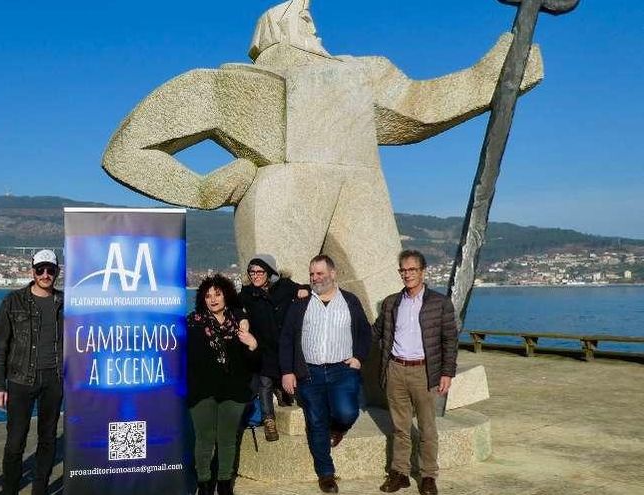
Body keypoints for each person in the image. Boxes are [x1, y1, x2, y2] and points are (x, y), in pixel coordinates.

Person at [102, 0, 543, 319]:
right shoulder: (229, 84)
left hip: (361, 191)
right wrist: (202, 188)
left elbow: (422, 106)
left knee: (389, 312)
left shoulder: (359, 73)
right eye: (306, 18)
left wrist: (495, 76)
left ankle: (399, 383)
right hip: (282, 192)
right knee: (276, 310)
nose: (316, 29)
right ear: (276, 28)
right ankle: (271, 401)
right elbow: (126, 151)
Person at [280, 254, 371, 493]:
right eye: (311, 274)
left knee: (347, 412)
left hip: (343, 370)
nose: (315, 278)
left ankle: (339, 428)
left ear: (333, 273)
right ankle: (326, 473)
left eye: (319, 273)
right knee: (316, 422)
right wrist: (287, 371)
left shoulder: (350, 301)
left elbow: (364, 332)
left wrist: (359, 358)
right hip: (309, 373)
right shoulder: (301, 303)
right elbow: (287, 338)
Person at [373, 250, 458, 495]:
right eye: (403, 270)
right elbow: (376, 332)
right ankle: (400, 473)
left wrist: (447, 373)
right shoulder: (391, 302)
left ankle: (428, 475)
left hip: (425, 371)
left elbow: (449, 341)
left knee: (427, 428)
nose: (407, 274)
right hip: (396, 370)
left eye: (412, 270)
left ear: (422, 271)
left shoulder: (440, 303)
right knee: (400, 427)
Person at [0, 249, 64, 495]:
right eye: (40, 269)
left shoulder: (66, 302)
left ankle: (40, 489)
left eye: (50, 270)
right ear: (32, 271)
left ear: (57, 273)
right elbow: (0, 345)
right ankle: (10, 490)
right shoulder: (13, 301)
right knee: (15, 442)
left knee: (48, 438)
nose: (45, 274)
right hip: (20, 380)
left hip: (54, 379)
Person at [187, 274, 259, 495]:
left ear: (226, 295)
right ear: (203, 299)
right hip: (202, 392)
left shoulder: (239, 323)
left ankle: (225, 483)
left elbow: (253, 363)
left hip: (233, 391)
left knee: (228, 440)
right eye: (208, 296)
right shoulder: (193, 322)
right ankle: (204, 484)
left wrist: (253, 345)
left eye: (217, 294)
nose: (213, 299)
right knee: (204, 440)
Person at [239, 254, 306, 441]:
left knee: (291, 383)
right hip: (263, 346)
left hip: (285, 345)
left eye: (259, 271)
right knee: (264, 382)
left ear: (269, 272)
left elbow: (304, 288)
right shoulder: (247, 293)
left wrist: (304, 290)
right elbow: (235, 307)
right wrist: (242, 318)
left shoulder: (285, 287)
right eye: (251, 272)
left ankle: (295, 402)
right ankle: (269, 420)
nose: (255, 275)